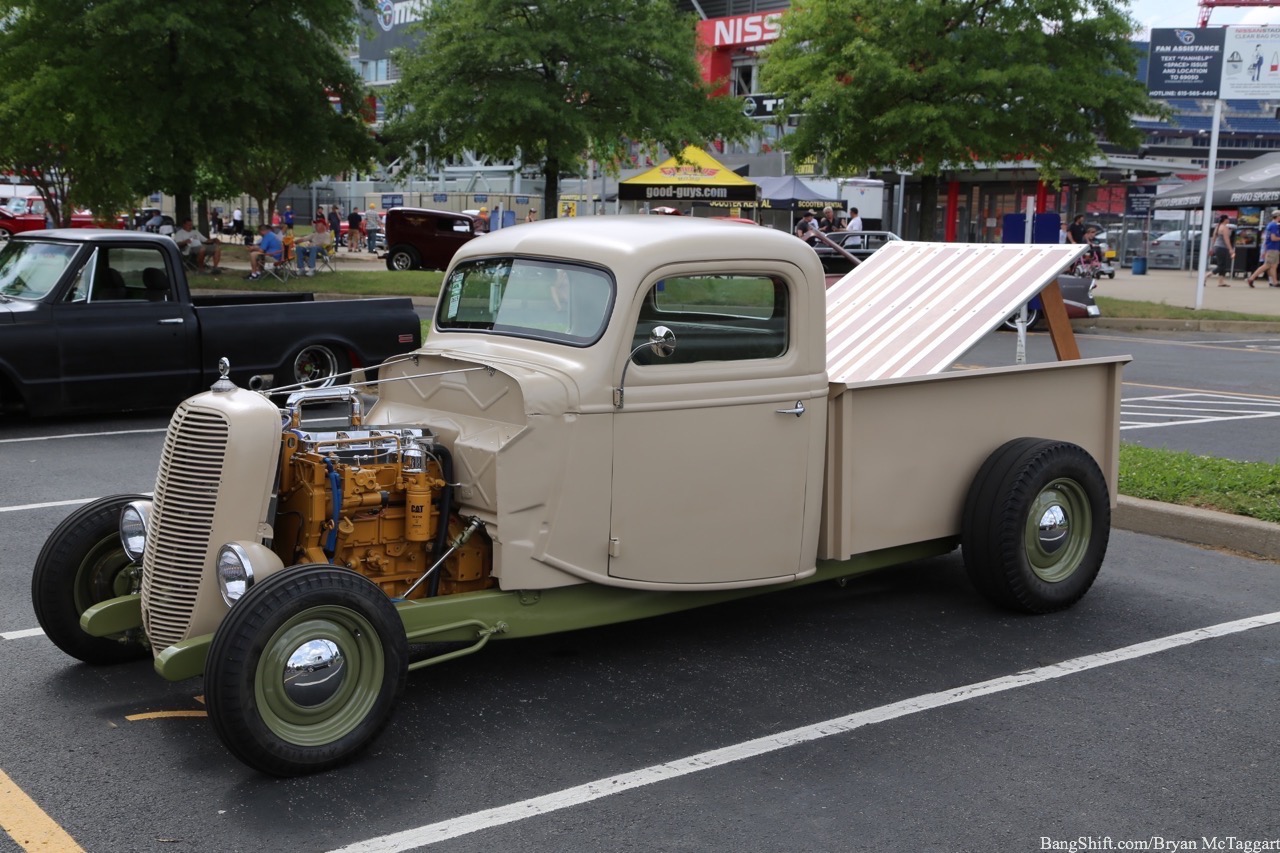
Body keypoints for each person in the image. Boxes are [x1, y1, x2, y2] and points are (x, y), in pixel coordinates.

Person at [1246, 209, 1280, 288]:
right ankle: (1251, 278)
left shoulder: (1271, 225)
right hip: (1273, 248)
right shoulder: (1274, 226)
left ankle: (1275, 282)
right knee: (1267, 265)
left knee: (1274, 266)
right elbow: (1273, 238)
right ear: (1278, 216)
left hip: (1272, 248)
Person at [1211, 215, 1235, 288]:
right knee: (1221, 265)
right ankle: (1206, 276)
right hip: (1222, 247)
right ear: (1225, 220)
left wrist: (1212, 247)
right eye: (1228, 219)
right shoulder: (1224, 228)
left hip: (1217, 247)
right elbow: (1226, 239)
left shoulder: (1218, 226)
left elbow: (1214, 238)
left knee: (1222, 265)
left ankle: (1221, 281)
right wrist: (1230, 249)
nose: (1229, 220)